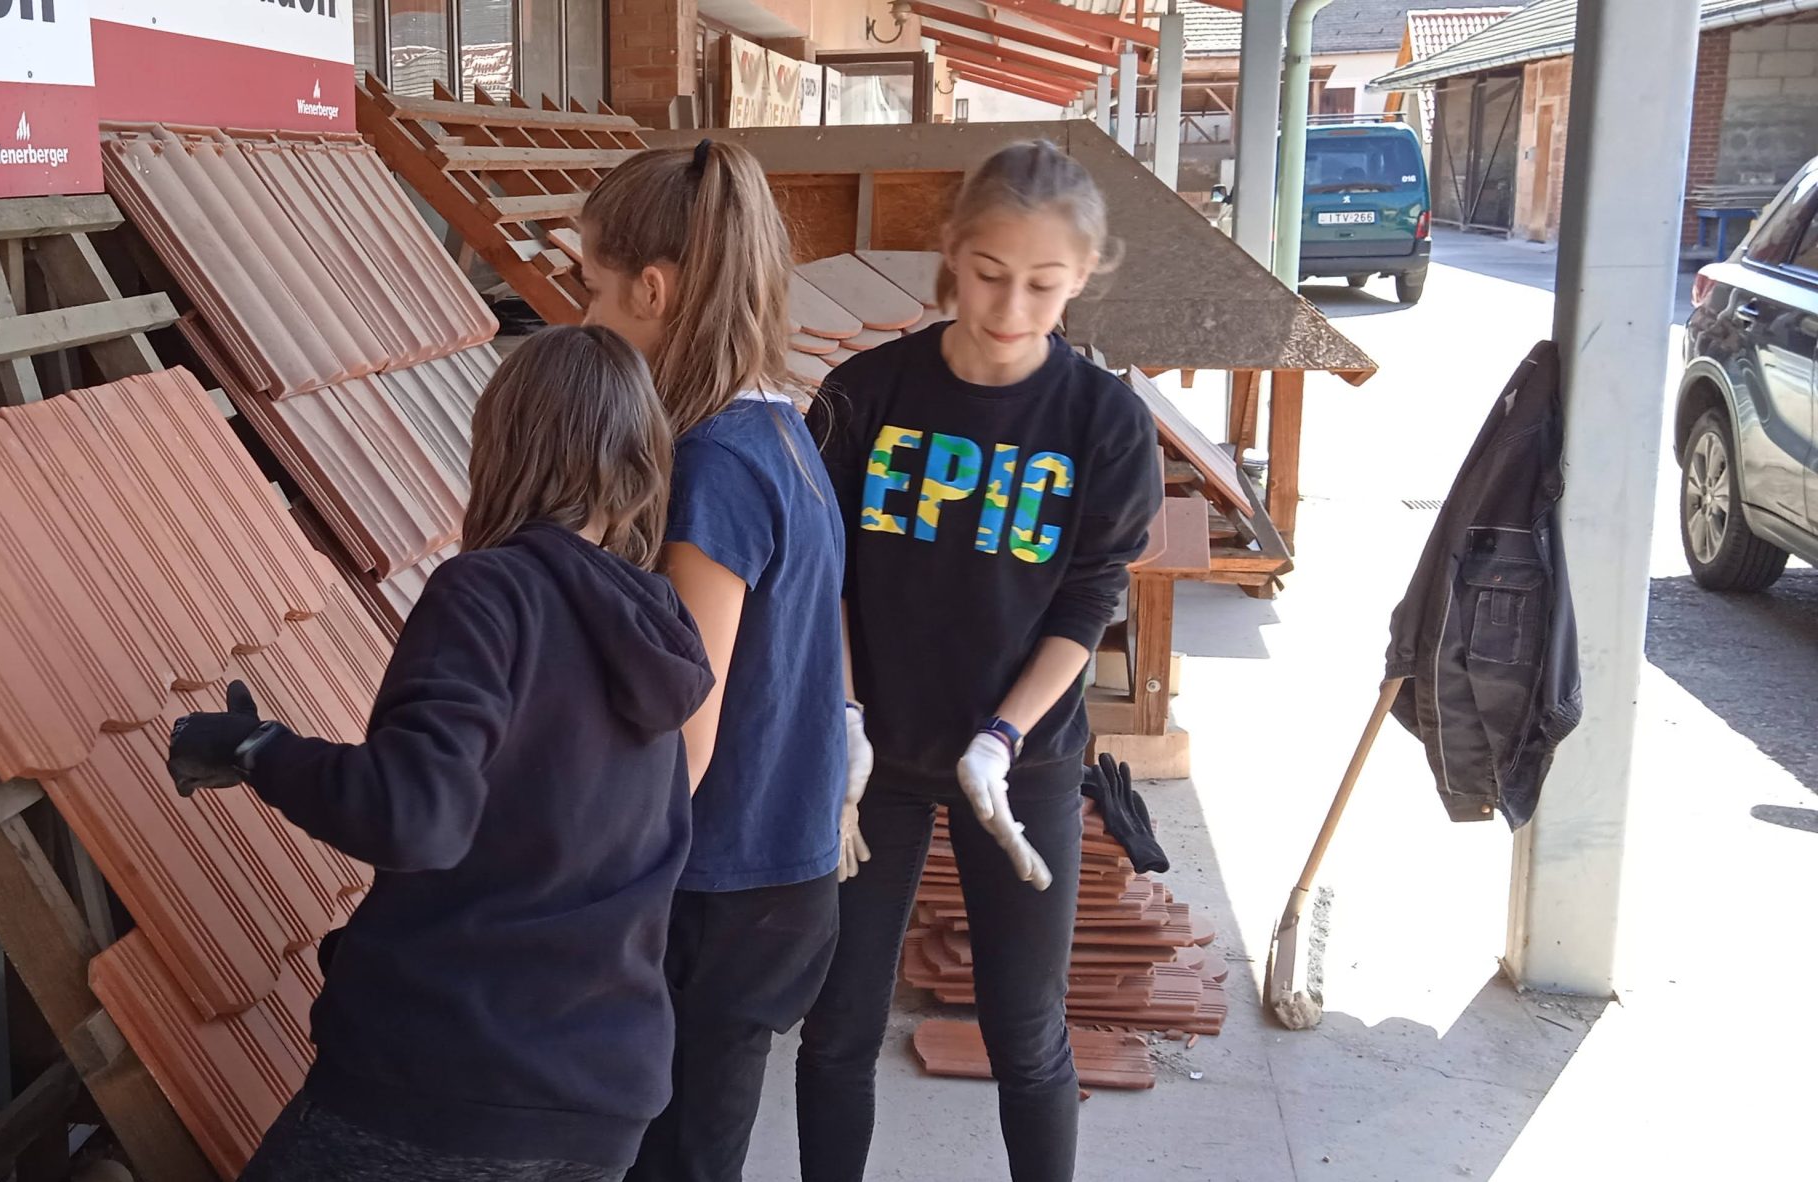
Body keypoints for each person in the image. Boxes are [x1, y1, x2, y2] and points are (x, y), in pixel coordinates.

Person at [163, 325, 717, 1182]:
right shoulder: (654, 625)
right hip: (602, 1099)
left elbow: (414, 816)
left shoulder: (489, 592)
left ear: (502, 446)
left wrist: (260, 749)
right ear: (639, 468)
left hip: (449, 1077)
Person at [796, 140, 1163, 1182]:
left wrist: (1003, 737)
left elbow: (1089, 597)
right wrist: (842, 717)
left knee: (1025, 1031)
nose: (1010, 308)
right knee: (837, 1023)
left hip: (1019, 762)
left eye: (1043, 285)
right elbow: (822, 578)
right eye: (990, 274)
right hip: (872, 756)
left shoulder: (1103, 423)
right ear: (952, 251)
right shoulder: (864, 393)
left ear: (1082, 277)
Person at [579, 140, 854, 1182]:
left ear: (652, 291)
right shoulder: (781, 428)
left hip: (721, 890)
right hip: (777, 873)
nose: (584, 317)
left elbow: (681, 737)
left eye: (592, 288)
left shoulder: (713, 467)